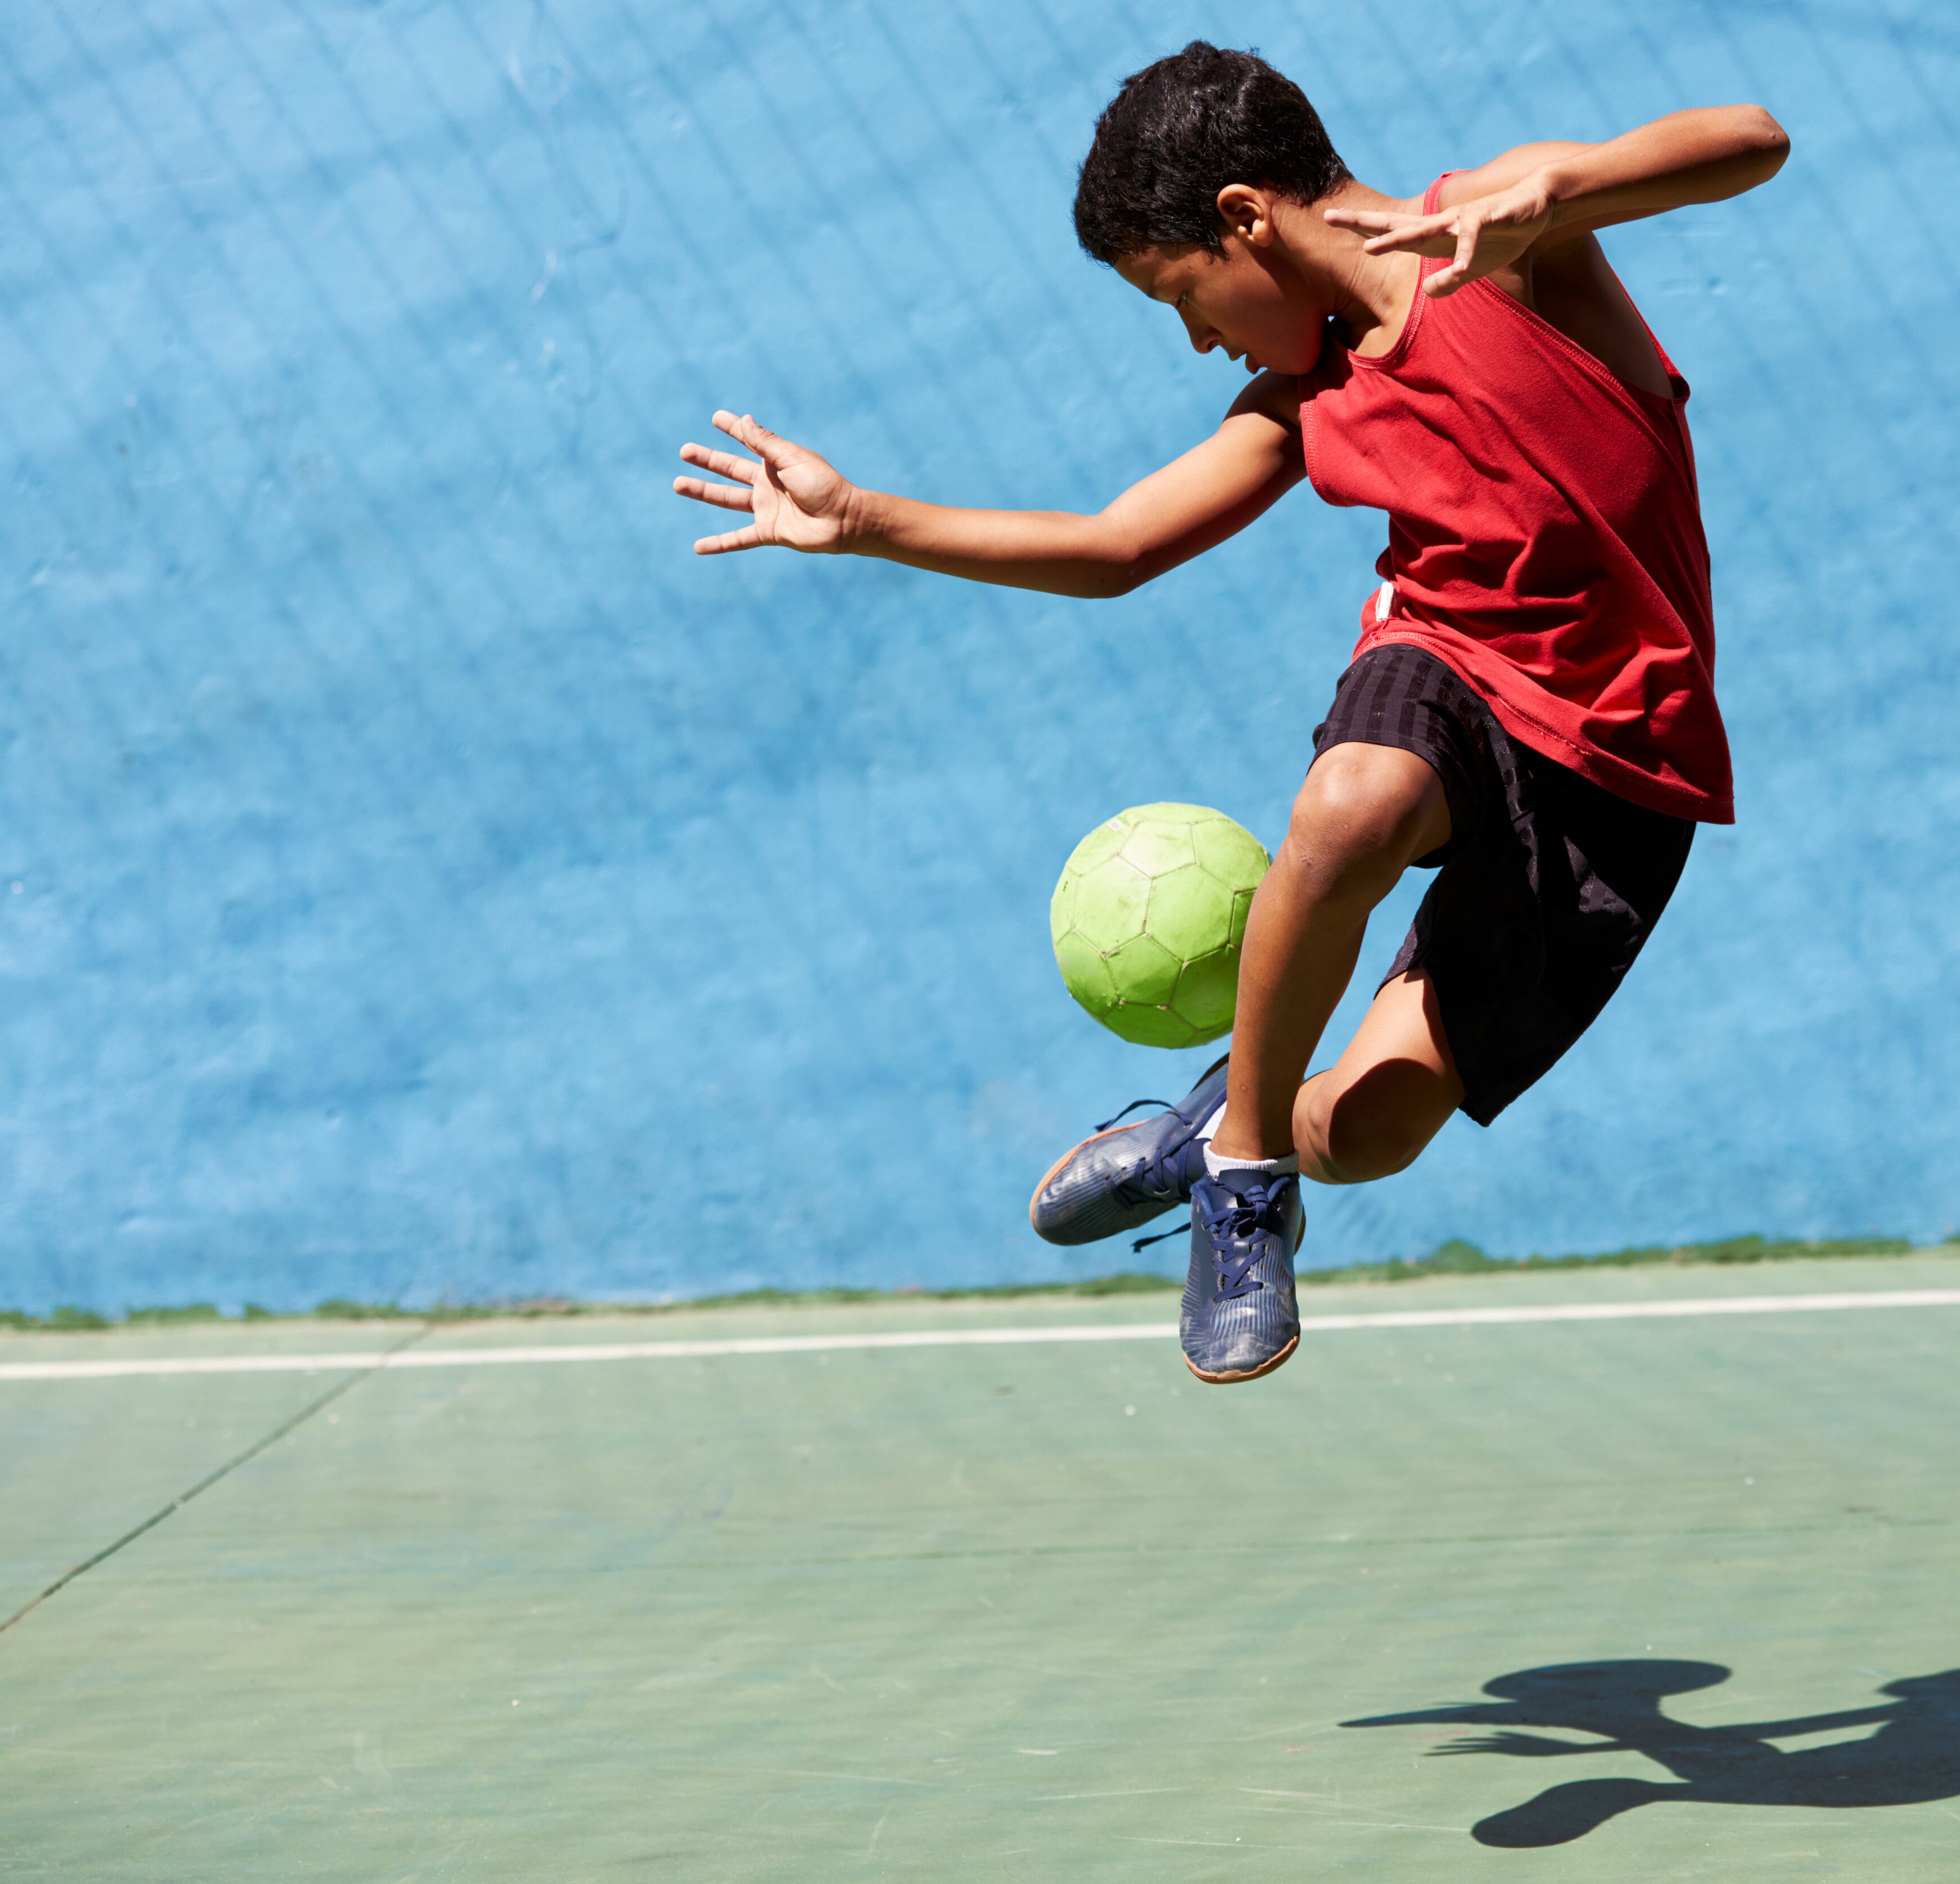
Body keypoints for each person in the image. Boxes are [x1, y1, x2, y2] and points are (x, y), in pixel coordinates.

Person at [671, 43, 1789, 1385]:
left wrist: (1562, 183)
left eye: (1178, 294)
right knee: (1354, 796)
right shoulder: (1305, 399)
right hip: (1447, 669)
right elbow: (1116, 544)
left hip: (1621, 757)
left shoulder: (1501, 235)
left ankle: (1222, 1125)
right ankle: (1247, 1186)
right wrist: (861, 521)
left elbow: (1753, 137)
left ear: (1243, 219)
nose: (1195, 335)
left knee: (1372, 1128)